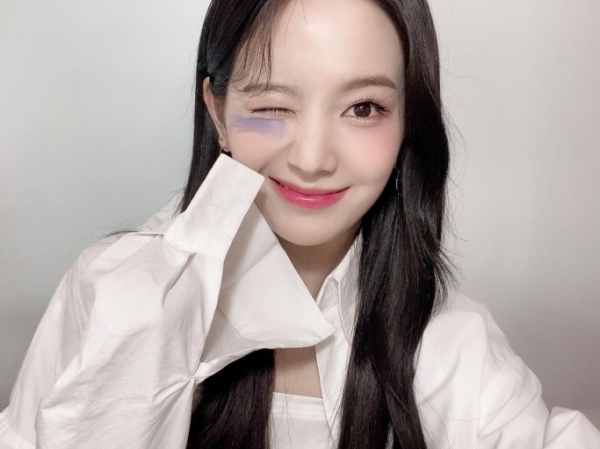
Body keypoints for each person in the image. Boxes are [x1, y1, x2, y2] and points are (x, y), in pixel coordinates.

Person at [1, 0, 599, 447]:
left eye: (363, 108)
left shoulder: (451, 345)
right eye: (271, 108)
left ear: (406, 120)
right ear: (217, 112)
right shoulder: (115, 294)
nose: (312, 158)